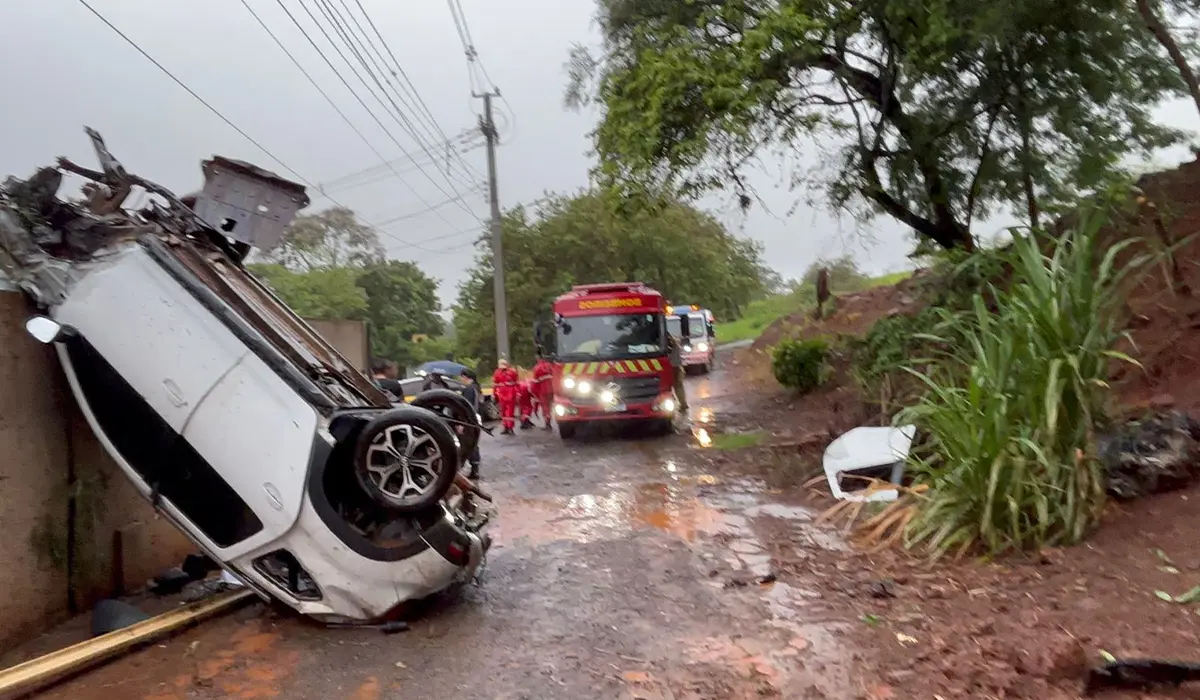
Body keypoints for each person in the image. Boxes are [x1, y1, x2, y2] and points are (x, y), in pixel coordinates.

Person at [458, 368, 483, 479]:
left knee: (469, 444)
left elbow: (466, 407)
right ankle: (474, 469)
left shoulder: (469, 390)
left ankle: (473, 470)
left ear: (465, 377)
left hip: (469, 420)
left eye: (461, 377)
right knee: (473, 444)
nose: (460, 379)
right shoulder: (476, 388)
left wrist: (462, 423)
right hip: (475, 419)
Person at [492, 359, 519, 435]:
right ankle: (506, 427)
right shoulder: (497, 372)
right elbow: (495, 383)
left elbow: (516, 382)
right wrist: (494, 394)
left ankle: (509, 427)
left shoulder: (511, 372)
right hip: (503, 394)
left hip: (509, 393)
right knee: (503, 411)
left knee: (509, 411)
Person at [665, 333, 688, 413]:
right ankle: (683, 403)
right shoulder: (673, 342)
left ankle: (682, 404)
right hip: (677, 366)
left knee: (675, 386)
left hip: (673, 366)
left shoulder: (669, 343)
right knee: (678, 386)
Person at [532, 351, 554, 429]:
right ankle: (549, 421)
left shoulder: (537, 368)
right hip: (552, 389)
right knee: (550, 406)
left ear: (538, 359)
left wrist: (534, 393)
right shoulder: (550, 366)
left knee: (545, 407)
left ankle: (547, 424)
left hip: (543, 390)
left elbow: (535, 382)